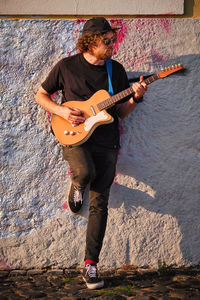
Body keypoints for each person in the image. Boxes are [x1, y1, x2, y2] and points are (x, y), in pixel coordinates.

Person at [35, 17, 147, 289]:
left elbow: (120, 113)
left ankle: (91, 266)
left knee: (100, 204)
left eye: (113, 39)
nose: (112, 44)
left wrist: (135, 97)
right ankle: (77, 185)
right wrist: (62, 111)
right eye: (107, 41)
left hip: (107, 142)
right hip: (74, 138)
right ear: (90, 42)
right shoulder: (66, 66)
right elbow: (41, 95)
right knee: (84, 172)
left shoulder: (115, 71)